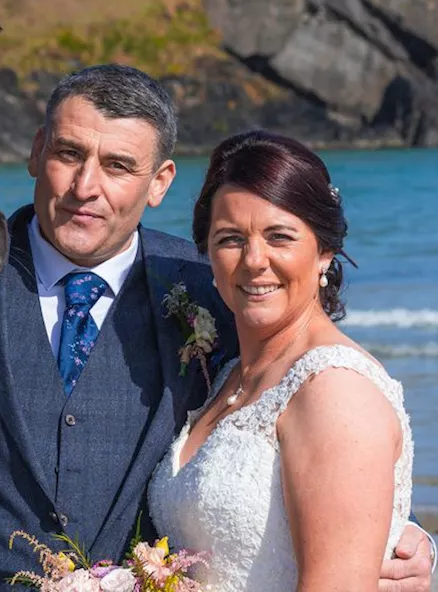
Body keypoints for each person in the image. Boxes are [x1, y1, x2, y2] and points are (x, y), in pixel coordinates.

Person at [0, 65, 434, 590]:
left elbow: (310, 429)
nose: (88, 186)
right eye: (70, 154)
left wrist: (396, 538)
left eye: (118, 166)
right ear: (34, 153)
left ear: (160, 181)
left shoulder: (214, 287)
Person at [149, 130, 416, 590]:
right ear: (207, 254)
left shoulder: (335, 391)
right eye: (231, 239)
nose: (255, 260)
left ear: (324, 252)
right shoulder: (228, 375)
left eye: (280, 237)